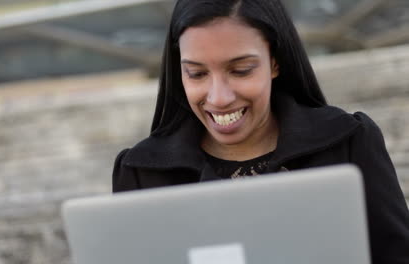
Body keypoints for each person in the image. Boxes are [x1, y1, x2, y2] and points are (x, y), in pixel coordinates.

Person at [112, 0, 409, 263]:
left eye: (240, 70)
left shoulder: (348, 142)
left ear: (275, 62)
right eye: (197, 73)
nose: (218, 97)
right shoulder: (141, 172)